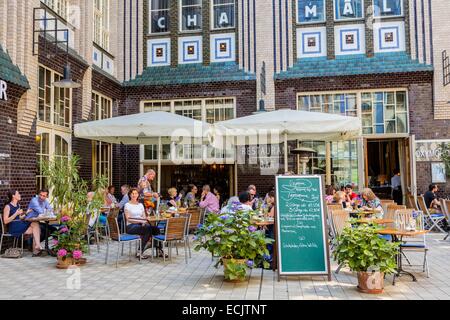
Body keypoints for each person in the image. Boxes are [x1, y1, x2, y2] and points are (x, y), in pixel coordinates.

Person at [3, 190, 42, 256]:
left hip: (19, 224)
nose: (20, 195)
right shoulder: (8, 206)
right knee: (36, 228)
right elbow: (5, 221)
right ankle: (36, 249)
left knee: (35, 225)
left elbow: (20, 218)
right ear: (13, 196)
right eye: (18, 194)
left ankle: (36, 248)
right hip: (13, 227)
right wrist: (16, 213)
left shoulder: (18, 205)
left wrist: (27, 212)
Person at [124, 188, 160, 258]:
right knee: (148, 229)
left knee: (156, 229)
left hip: (141, 225)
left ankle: (159, 250)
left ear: (138, 195)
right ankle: (140, 252)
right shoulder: (127, 205)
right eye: (132, 193)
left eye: (136, 193)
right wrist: (140, 221)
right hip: (131, 226)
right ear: (130, 195)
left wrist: (145, 220)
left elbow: (144, 217)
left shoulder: (140, 205)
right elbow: (128, 219)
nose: (134, 195)